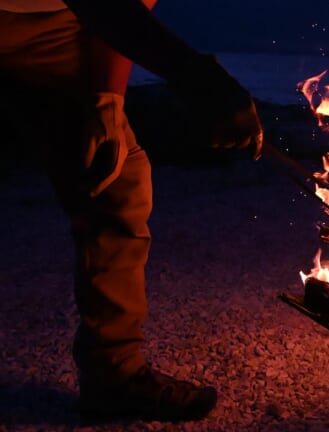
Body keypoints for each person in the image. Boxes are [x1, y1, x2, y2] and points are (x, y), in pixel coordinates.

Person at [0, 0, 263, 422]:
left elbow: (123, 8)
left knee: (117, 175)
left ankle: (113, 375)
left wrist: (106, 101)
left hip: (51, 22)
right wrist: (194, 75)